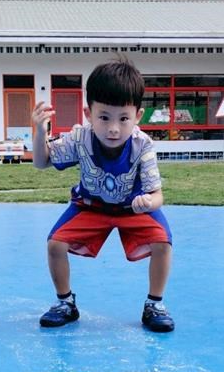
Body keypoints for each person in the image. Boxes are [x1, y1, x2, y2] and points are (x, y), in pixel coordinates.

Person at [31, 58, 174, 332]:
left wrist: (148, 202)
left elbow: (158, 196)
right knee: (55, 244)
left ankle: (154, 304)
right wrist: (39, 131)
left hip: (133, 209)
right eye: (104, 117)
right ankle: (65, 303)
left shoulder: (143, 145)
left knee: (163, 243)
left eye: (123, 118)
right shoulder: (80, 138)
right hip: (91, 206)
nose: (113, 128)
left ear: (138, 116)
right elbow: (41, 161)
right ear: (89, 113)